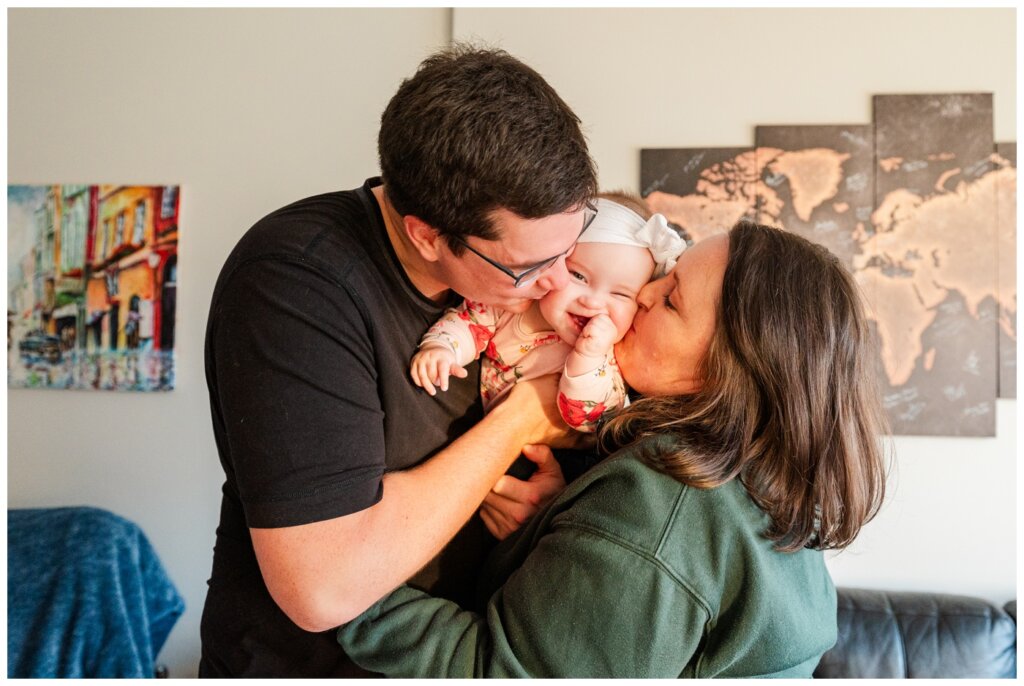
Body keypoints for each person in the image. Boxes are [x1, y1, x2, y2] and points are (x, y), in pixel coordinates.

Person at [336, 221, 890, 678]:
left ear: (727, 369)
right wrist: (571, 518)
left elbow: (498, 673)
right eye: (667, 275)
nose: (644, 292)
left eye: (671, 300)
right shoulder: (772, 486)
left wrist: (344, 583)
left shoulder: (664, 505)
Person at [200, 45, 597, 677]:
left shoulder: (524, 276)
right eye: (527, 268)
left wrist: (554, 504)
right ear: (426, 235)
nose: (558, 284)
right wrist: (522, 419)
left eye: (570, 250)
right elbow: (321, 585)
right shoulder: (296, 282)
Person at [410, 193, 686, 435]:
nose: (592, 302)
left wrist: (588, 358)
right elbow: (467, 323)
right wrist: (443, 349)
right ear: (550, 265)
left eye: (621, 294)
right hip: (483, 435)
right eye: (578, 275)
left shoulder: (607, 357)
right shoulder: (514, 304)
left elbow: (589, 419)